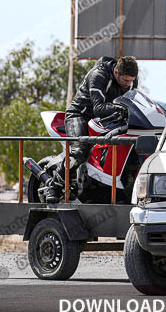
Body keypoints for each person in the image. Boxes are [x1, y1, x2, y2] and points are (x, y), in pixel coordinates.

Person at [43, 56, 139, 203]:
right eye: (125, 80)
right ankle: (54, 186)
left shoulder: (131, 81)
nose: (128, 84)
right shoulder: (98, 75)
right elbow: (99, 108)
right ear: (116, 72)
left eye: (131, 81)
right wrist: (121, 109)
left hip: (107, 119)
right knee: (79, 152)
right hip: (81, 115)